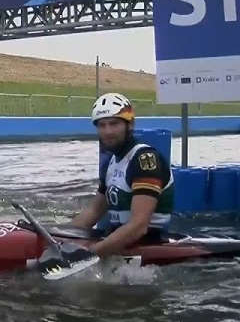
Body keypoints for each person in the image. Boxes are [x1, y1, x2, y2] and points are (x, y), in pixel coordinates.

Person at [68, 93, 175, 258]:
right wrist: (57, 235)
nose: (107, 131)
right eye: (102, 125)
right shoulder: (111, 162)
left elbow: (139, 226)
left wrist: (89, 254)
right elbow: (94, 211)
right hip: (117, 240)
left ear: (130, 124)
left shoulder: (144, 160)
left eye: (114, 124)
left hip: (147, 244)